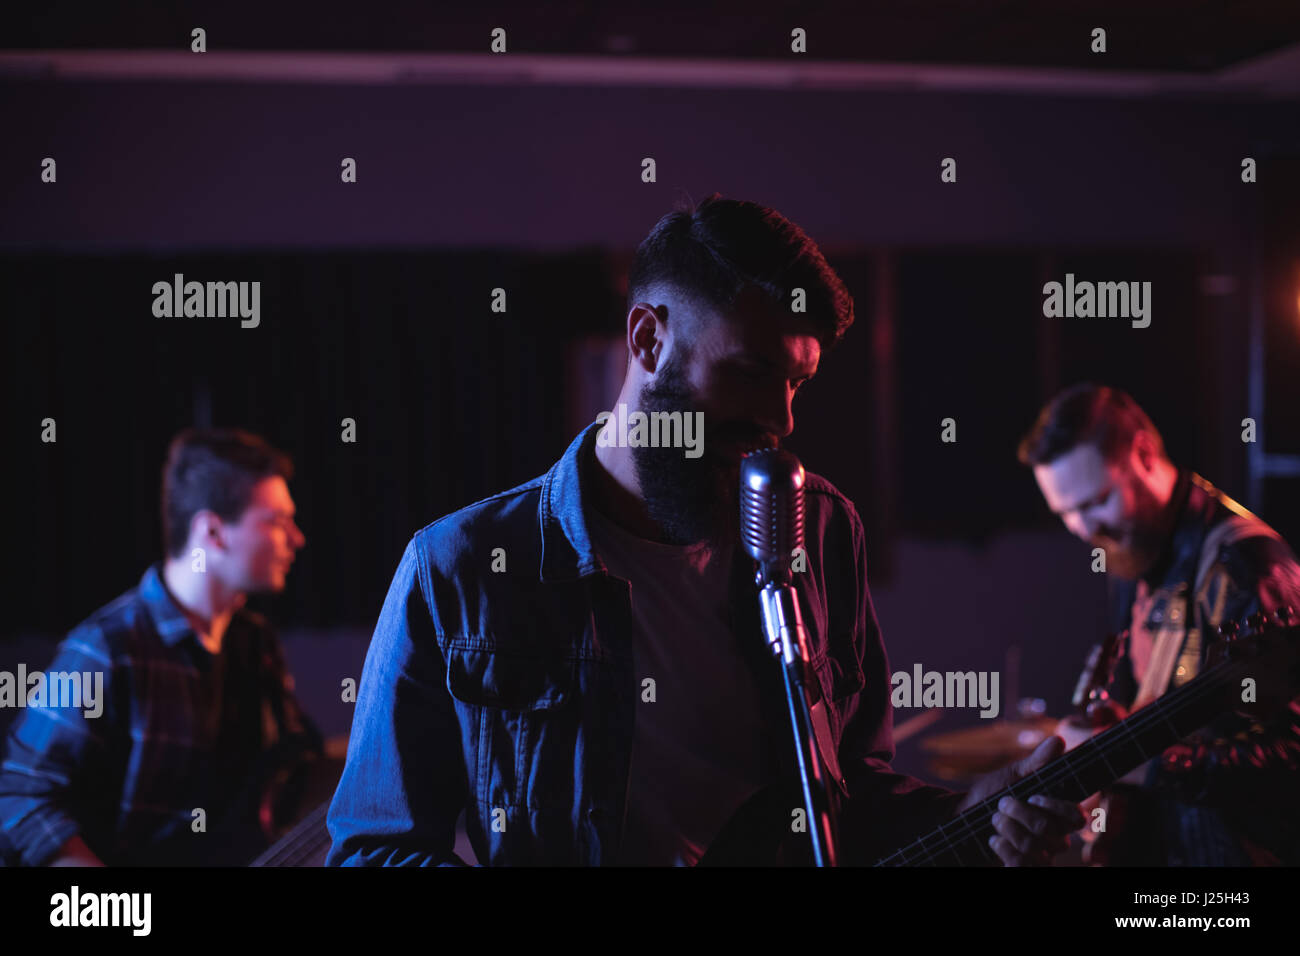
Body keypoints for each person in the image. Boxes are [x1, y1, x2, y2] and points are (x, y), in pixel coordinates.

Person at [327, 195, 1082, 867]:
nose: (781, 419)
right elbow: (375, 847)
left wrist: (974, 815)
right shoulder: (459, 565)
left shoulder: (819, 529)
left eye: (796, 383)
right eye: (752, 372)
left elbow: (849, 793)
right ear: (649, 342)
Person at [0, 428, 320, 866]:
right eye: (276, 521)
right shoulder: (105, 649)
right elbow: (21, 793)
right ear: (214, 532)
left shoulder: (255, 643)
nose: (296, 538)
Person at [1019, 384, 1300, 865]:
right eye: (1064, 512)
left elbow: (1291, 755)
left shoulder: (1245, 564)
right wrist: (1107, 722)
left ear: (1144, 453)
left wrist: (1144, 763)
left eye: (1095, 501)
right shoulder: (1136, 549)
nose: (1085, 529)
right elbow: (1137, 700)